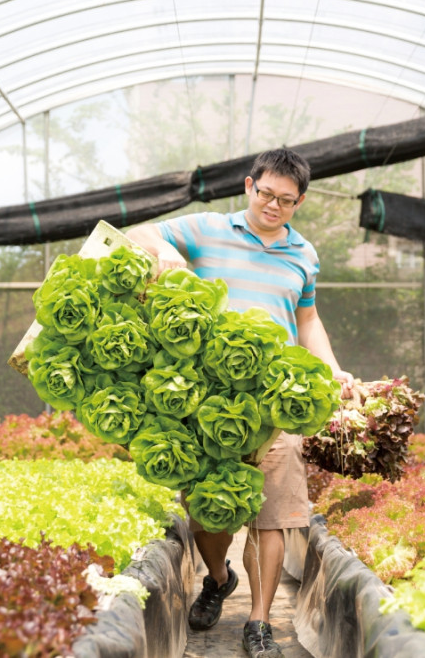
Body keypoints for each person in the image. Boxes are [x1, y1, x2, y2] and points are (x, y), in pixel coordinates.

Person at [126, 148, 354, 658]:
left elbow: (307, 319)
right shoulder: (207, 228)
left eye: (287, 201)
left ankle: (259, 621)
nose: (273, 206)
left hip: (278, 400)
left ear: (299, 202)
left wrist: (331, 367)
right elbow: (139, 231)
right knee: (208, 512)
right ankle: (218, 575)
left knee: (274, 515)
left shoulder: (304, 254)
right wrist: (164, 251)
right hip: (205, 401)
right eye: (266, 194)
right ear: (249, 185)